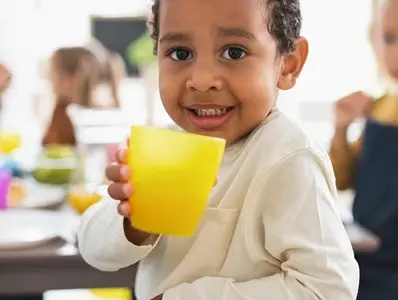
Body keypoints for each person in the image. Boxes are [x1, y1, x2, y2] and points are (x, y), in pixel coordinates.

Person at [78, 0, 359, 299]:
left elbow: (328, 289)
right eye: (180, 53)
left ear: (288, 65)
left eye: (234, 52)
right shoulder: (168, 148)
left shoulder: (289, 159)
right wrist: (132, 222)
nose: (201, 81)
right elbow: (93, 248)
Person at [329, 0, 398, 299]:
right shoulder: (379, 108)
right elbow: (340, 180)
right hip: (362, 256)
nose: (395, 52)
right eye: (389, 38)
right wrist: (341, 128)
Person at [42, 45, 125, 146]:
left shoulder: (68, 116)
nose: (49, 82)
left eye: (52, 74)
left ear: (68, 80)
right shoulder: (111, 114)